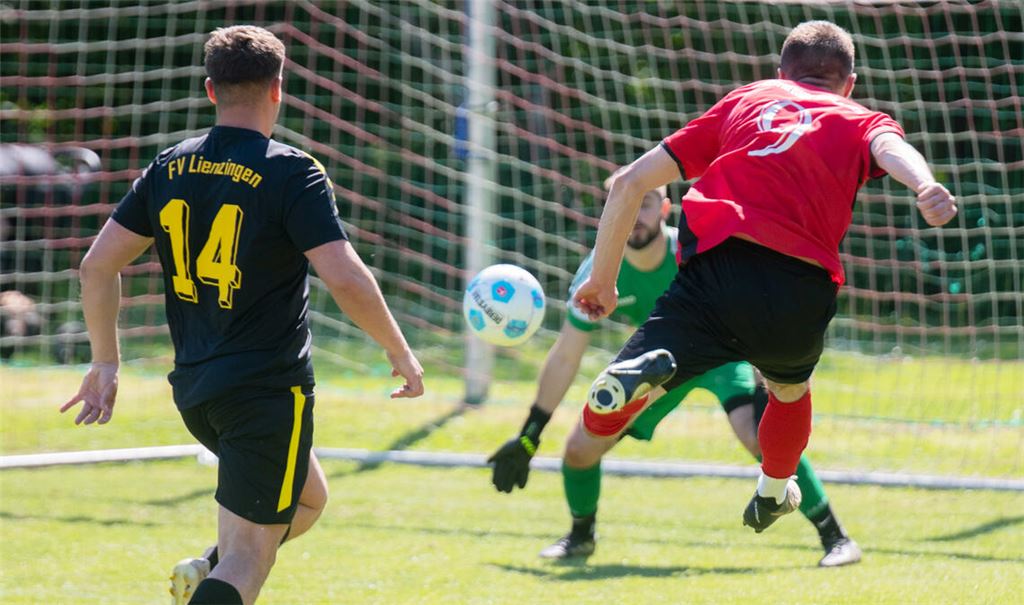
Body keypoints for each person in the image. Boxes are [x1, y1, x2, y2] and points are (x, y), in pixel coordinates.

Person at [59, 26, 425, 605]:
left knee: (307, 502)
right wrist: (399, 350)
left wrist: (106, 361)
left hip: (199, 391)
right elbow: (345, 275)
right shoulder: (291, 171)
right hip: (265, 392)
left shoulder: (169, 166)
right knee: (249, 558)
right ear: (279, 89)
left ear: (210, 90)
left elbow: (95, 267)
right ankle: (221, 575)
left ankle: (206, 570)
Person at [568, 21, 956, 536]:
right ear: (850, 83)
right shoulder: (858, 116)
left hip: (714, 272)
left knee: (598, 424)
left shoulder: (748, 100)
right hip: (798, 286)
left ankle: (626, 379)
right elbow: (889, 148)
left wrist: (603, 281)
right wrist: (925, 183)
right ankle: (774, 489)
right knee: (788, 391)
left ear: (781, 73)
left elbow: (630, 182)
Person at [488, 183, 861, 567]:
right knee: (580, 450)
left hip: (723, 357)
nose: (634, 217)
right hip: (658, 368)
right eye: (625, 207)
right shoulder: (599, 270)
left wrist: (765, 379)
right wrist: (530, 435)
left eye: (644, 204)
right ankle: (580, 538)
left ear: (666, 209)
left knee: (761, 440)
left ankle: (836, 538)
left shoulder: (694, 249)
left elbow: (752, 308)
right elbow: (566, 354)